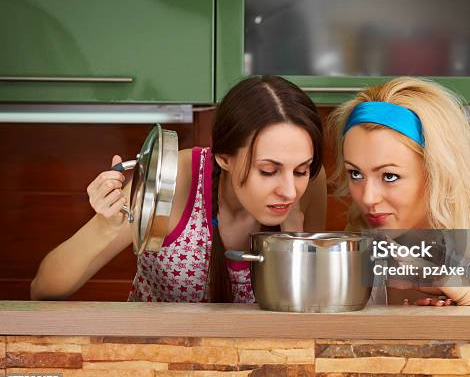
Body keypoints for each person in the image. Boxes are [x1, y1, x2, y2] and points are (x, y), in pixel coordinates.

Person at [31, 76, 327, 303]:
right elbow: (44, 289)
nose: (289, 190)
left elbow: (309, 305)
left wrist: (295, 238)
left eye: (301, 170)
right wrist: (105, 225)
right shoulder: (169, 179)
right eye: (268, 170)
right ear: (223, 157)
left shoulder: (309, 184)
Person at [329, 77, 470, 306]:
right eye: (356, 174)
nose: (368, 198)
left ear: (440, 172)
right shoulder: (362, 236)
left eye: (390, 176)